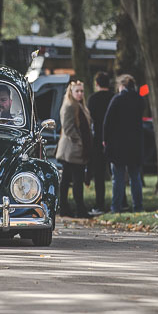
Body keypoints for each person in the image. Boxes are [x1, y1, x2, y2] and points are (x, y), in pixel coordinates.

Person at [103, 74, 144, 213]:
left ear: (122, 86)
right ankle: (138, 206)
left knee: (118, 178)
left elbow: (107, 122)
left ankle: (116, 206)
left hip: (118, 145)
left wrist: (105, 140)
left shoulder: (118, 99)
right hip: (134, 145)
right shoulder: (139, 100)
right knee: (135, 177)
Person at [55, 80, 92, 218]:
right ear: (71, 92)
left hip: (76, 150)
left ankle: (71, 208)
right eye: (77, 91)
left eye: (82, 91)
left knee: (72, 180)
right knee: (72, 180)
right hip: (71, 150)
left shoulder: (80, 105)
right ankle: (71, 208)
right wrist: (80, 141)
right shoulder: (70, 106)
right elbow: (69, 128)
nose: (80, 93)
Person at [86, 70, 114, 215]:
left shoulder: (93, 99)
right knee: (116, 173)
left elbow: (90, 120)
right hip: (113, 140)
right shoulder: (114, 98)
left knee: (99, 175)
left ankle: (100, 204)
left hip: (97, 140)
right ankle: (120, 203)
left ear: (96, 84)